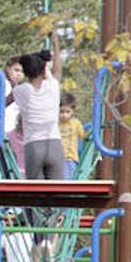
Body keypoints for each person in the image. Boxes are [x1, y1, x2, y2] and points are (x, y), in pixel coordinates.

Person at [10, 34, 65, 181]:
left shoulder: (21, 91)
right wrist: (56, 46)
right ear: (43, 70)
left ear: (25, 73)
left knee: (36, 194)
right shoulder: (52, 86)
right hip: (54, 143)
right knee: (57, 192)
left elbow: (5, 101)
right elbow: (58, 72)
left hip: (33, 147)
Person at [58, 91, 86, 179]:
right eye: (62, 112)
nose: (64, 115)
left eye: (67, 112)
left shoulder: (76, 124)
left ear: (73, 111)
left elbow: (84, 136)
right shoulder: (56, 124)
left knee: (68, 179)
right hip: (58, 158)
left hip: (71, 158)